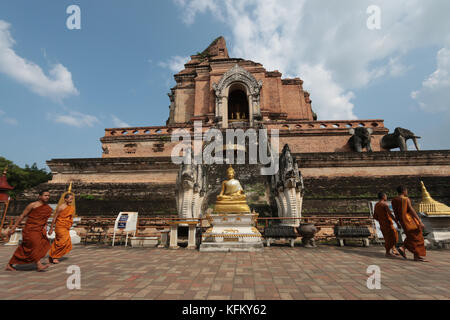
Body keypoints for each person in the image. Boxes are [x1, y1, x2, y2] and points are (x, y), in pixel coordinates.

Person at [5, 190, 53, 272]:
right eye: (45, 195)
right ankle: (39, 265)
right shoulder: (32, 205)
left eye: (48, 195)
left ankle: (10, 264)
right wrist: (13, 228)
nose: (47, 197)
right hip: (30, 229)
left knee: (27, 248)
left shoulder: (48, 208)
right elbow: (22, 216)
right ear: (40, 196)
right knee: (35, 245)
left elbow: (44, 220)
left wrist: (48, 228)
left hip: (39, 230)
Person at [391, 186, 429, 262]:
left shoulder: (394, 200)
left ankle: (413, 254)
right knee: (418, 236)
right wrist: (419, 221)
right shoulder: (405, 199)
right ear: (404, 191)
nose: (407, 192)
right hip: (410, 220)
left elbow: (395, 212)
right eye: (406, 191)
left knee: (412, 237)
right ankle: (405, 249)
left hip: (402, 221)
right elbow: (412, 210)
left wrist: (397, 221)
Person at [48, 192, 75, 264]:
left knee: (60, 242)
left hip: (66, 227)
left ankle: (52, 255)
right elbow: (54, 218)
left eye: (72, 199)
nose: (71, 200)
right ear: (65, 199)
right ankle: (55, 257)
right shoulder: (61, 207)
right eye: (70, 199)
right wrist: (51, 229)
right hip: (60, 226)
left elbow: (69, 217)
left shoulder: (71, 208)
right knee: (63, 242)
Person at [373, 192, 400, 257]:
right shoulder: (385, 204)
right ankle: (388, 252)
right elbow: (390, 214)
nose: (386, 197)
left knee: (387, 238)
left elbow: (375, 216)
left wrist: (381, 221)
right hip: (388, 223)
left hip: (382, 224)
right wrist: (397, 222)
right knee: (394, 236)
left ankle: (392, 249)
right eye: (386, 196)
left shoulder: (376, 205)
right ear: (383, 197)